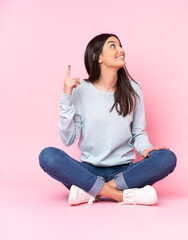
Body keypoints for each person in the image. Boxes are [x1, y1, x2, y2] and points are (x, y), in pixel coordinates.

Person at [38, 33, 177, 206]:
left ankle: (91, 191)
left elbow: (138, 132)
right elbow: (68, 139)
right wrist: (66, 97)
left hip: (124, 172)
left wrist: (147, 150)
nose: (121, 50)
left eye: (120, 45)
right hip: (88, 169)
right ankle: (122, 195)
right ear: (98, 57)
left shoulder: (134, 89)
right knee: (48, 156)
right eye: (113, 45)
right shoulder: (81, 90)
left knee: (167, 157)